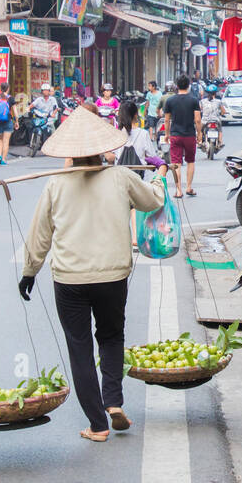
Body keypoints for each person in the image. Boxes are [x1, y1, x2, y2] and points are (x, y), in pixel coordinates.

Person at [18, 107, 166, 442]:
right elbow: (152, 200)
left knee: (79, 347)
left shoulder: (56, 184)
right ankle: (113, 401)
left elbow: (40, 235)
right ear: (102, 149)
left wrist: (30, 272)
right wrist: (160, 175)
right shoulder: (122, 176)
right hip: (112, 276)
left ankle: (98, 424)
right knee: (112, 338)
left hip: (70, 280)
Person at [162, 74, 201, 198]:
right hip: (190, 135)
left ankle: (179, 190)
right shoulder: (194, 100)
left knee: (176, 163)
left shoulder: (170, 101)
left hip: (175, 135)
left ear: (176, 86)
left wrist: (167, 134)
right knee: (190, 161)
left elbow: (166, 120)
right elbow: (198, 119)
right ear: (188, 86)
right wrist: (199, 134)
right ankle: (189, 187)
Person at [117, 100, 167, 179]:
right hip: (138, 177)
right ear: (135, 115)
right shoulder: (143, 134)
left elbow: (111, 156)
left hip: (120, 175)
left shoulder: (116, 134)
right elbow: (152, 155)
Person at [30, 83, 60, 153]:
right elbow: (32, 105)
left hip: (49, 119)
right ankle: (32, 143)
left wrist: (53, 114)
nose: (45, 92)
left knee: (52, 131)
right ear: (42, 91)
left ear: (49, 91)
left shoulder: (52, 99)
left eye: (47, 90)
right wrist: (28, 108)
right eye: (44, 90)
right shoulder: (39, 99)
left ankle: (54, 146)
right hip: (40, 118)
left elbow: (56, 108)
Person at [0, 84, 14, 165]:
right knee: (6, 141)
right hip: (8, 121)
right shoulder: (10, 98)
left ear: (0, 88)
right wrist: (16, 121)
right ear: (8, 89)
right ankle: (4, 159)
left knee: (0, 140)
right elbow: (14, 111)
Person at [199, 82, 223, 150]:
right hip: (216, 120)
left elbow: (200, 109)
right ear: (215, 93)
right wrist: (221, 113)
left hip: (205, 120)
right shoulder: (218, 101)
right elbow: (223, 111)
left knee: (200, 130)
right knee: (220, 130)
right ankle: (220, 142)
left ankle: (200, 142)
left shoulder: (202, 101)